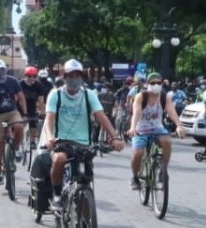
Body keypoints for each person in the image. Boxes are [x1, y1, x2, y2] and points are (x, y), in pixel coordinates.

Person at [43, 59, 124, 210]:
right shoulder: (56, 95)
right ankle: (57, 195)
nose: (74, 79)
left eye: (77, 75)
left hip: (84, 143)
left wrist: (115, 137)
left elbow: (101, 117)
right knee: (59, 159)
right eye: (70, 75)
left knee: (86, 185)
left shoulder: (89, 95)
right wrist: (49, 137)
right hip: (62, 141)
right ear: (64, 76)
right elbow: (49, 119)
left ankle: (86, 226)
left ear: (82, 77)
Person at [129, 72, 185, 190]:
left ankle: (163, 170)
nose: (156, 85)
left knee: (167, 141)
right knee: (138, 153)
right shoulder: (141, 96)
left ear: (162, 83)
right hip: (141, 128)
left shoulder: (165, 97)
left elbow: (171, 111)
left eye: (158, 83)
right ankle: (135, 177)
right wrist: (133, 127)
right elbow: (136, 112)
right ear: (147, 84)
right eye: (153, 83)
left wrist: (179, 125)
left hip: (157, 128)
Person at [20, 66, 49, 150]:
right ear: (25, 76)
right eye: (29, 76)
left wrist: (43, 112)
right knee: (20, 125)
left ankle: (32, 140)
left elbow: (41, 100)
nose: (32, 78)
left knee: (33, 124)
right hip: (20, 107)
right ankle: (18, 141)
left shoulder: (38, 85)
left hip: (32, 107)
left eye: (34, 76)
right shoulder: (20, 84)